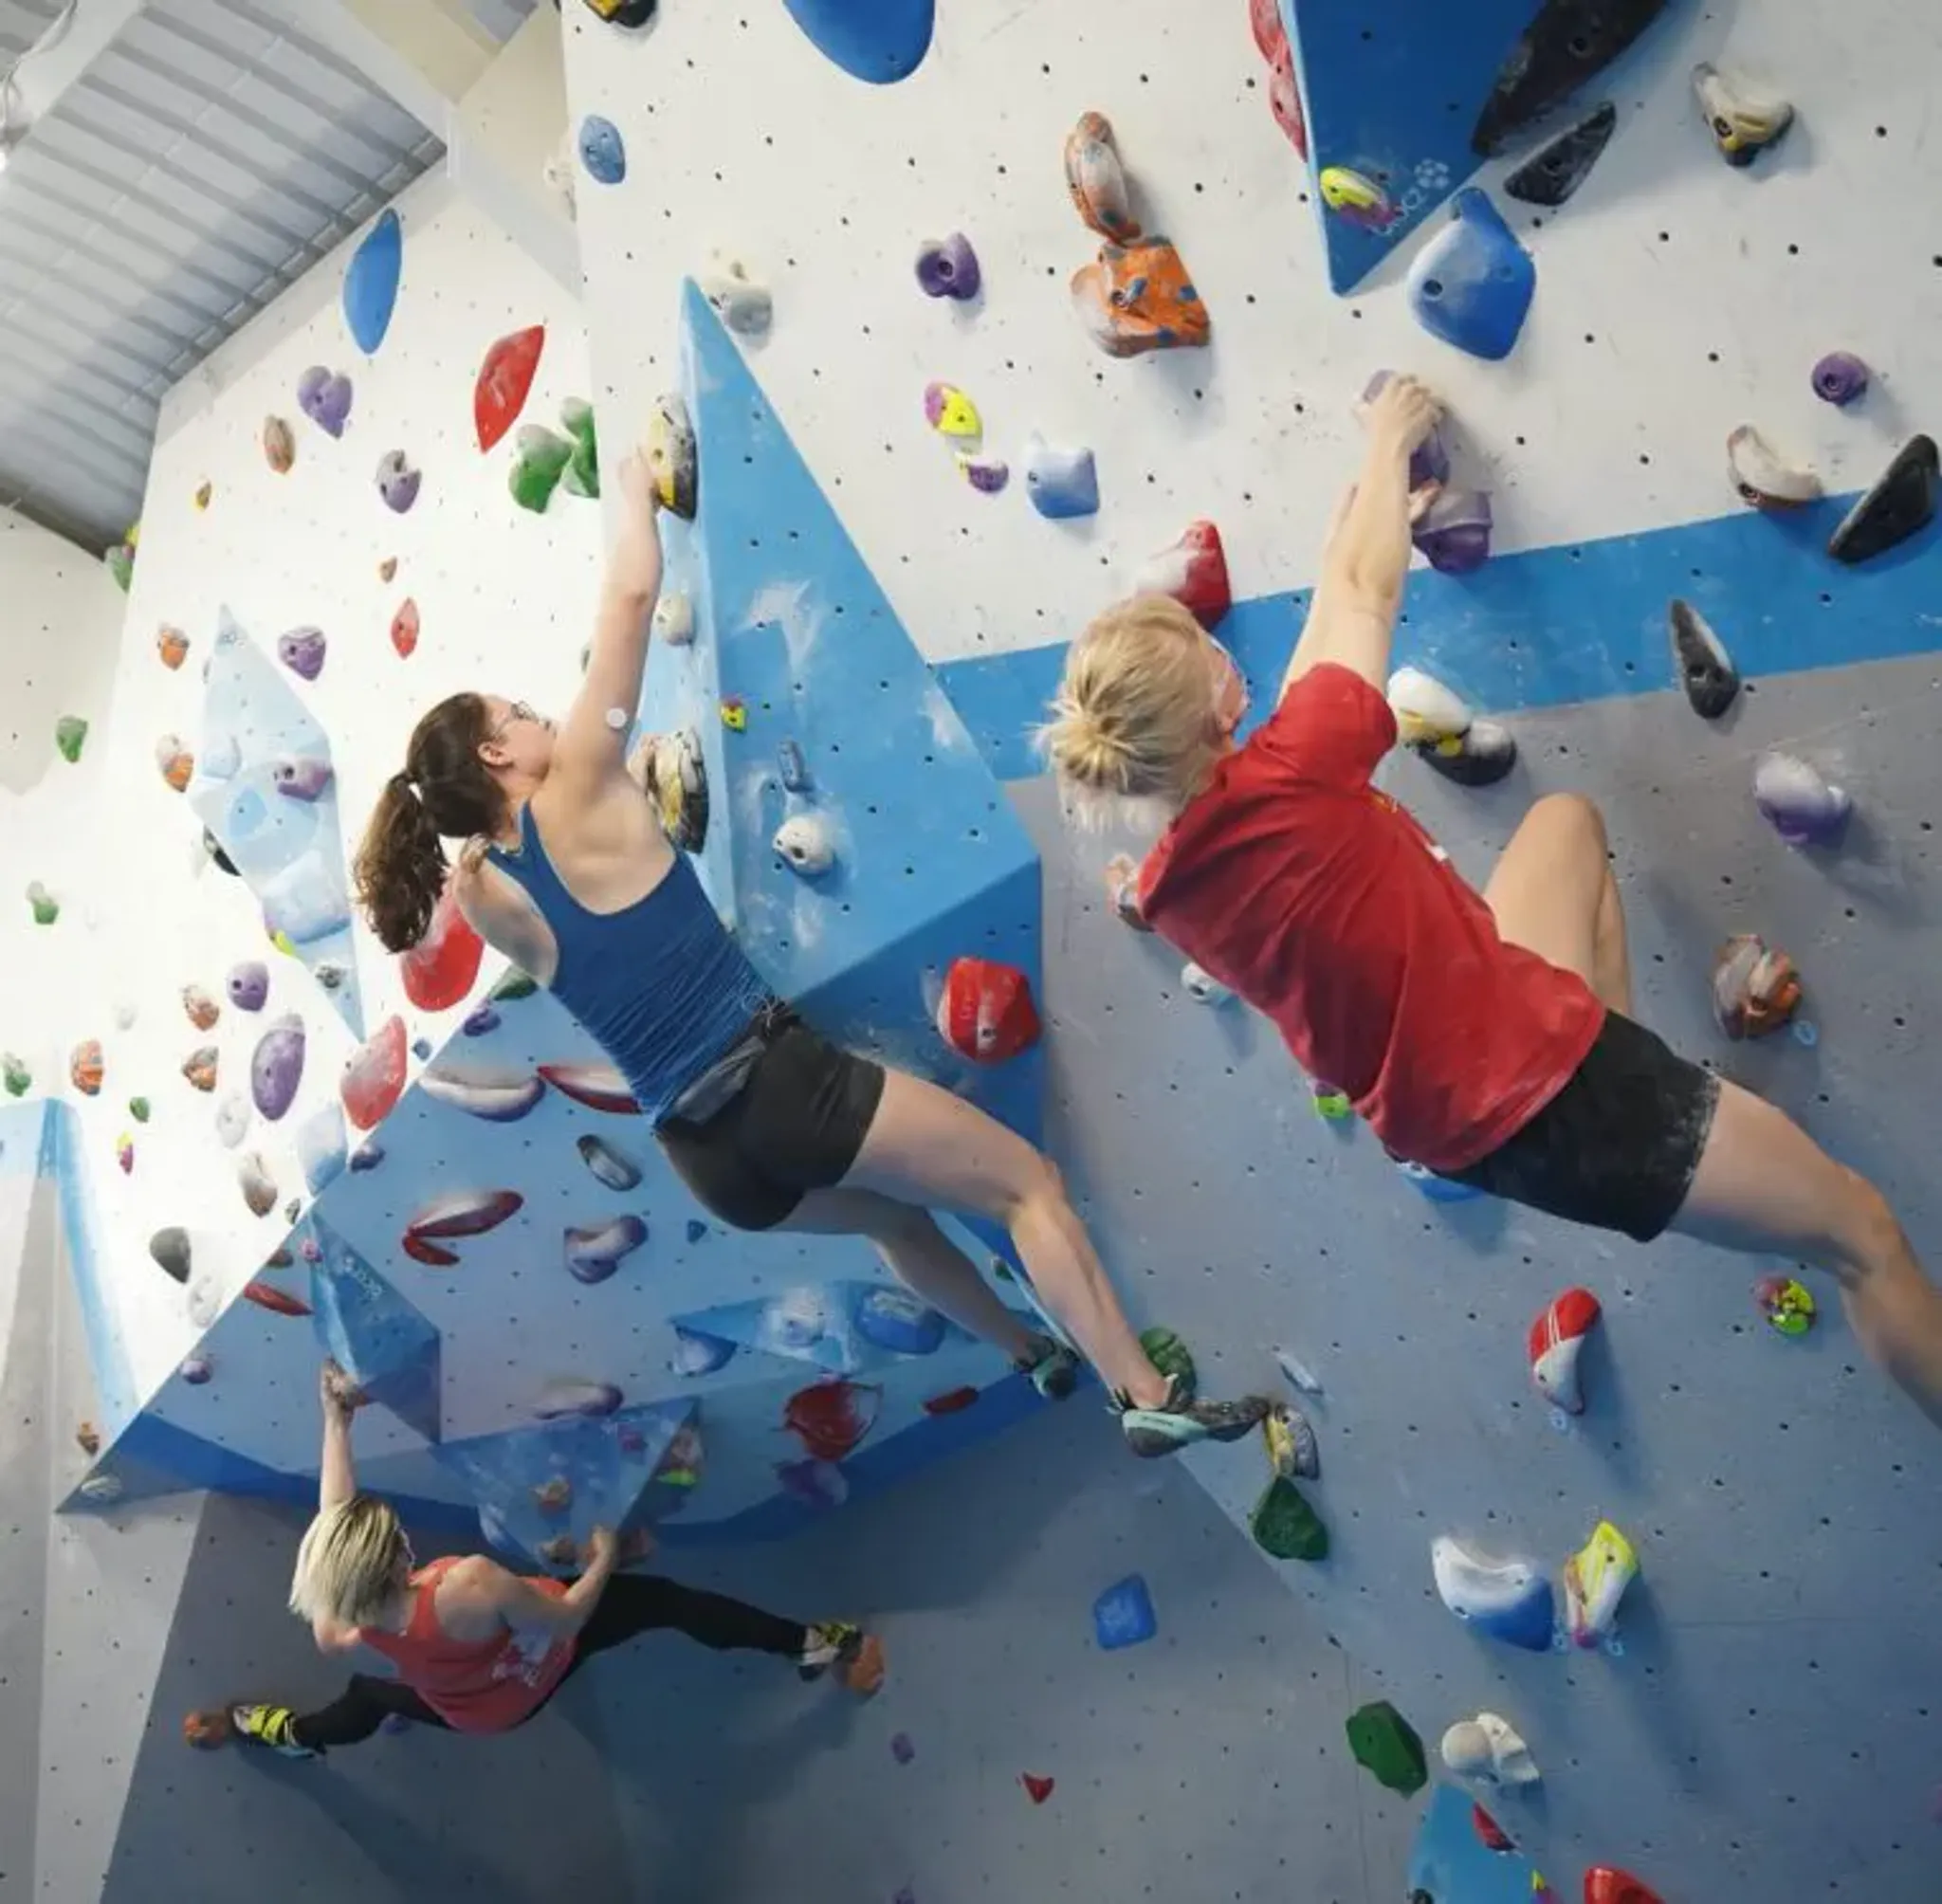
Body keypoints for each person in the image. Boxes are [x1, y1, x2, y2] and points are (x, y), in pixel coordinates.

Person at [1041, 373, 1942, 1430]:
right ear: (1209, 714)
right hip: (1557, 1101)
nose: (1228, 656)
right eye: (1208, 656)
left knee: (1562, 828)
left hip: (1461, 1116)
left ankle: (1623, 1060)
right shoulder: (1290, 771)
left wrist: (1366, 501)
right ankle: (1642, 1100)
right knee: (1860, 1234)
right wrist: (1385, 440)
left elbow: (1333, 621)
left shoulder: (1179, 874)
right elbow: (1363, 601)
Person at [351, 431, 1268, 1458]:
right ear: (496, 753)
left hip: (708, 1162)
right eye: (516, 713)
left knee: (896, 1224)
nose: (537, 714)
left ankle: (1027, 1352)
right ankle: (1139, 1391)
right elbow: (627, 596)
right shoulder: (577, 785)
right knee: (1026, 1188)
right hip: (775, 1085)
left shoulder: (480, 890)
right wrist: (630, 487)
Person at [193, 1362, 884, 1759]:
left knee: (368, 1697)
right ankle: (812, 1644)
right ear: (398, 1552)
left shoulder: (340, 1629)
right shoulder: (467, 1585)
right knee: (669, 1604)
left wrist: (336, 1421)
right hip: (541, 1657)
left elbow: (335, 1520)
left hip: (479, 1712)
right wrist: (607, 1559)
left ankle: (292, 1736)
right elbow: (567, 1618)